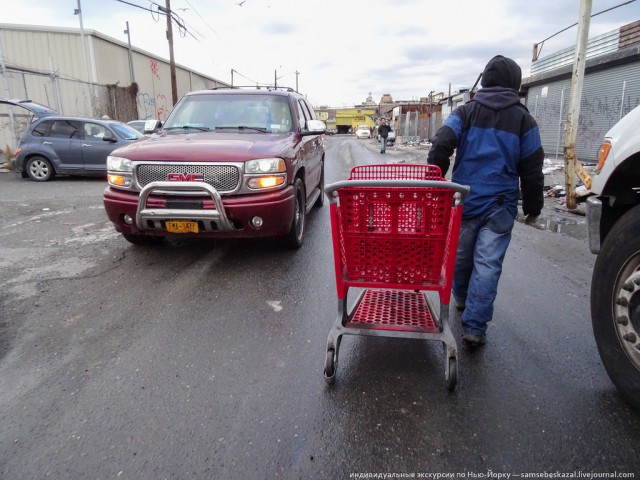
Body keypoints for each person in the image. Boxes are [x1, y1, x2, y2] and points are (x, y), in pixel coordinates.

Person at [427, 55, 544, 347]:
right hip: (501, 205)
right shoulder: (524, 120)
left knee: (462, 257)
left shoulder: (465, 112)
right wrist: (532, 207)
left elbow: (441, 144)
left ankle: (464, 300)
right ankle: (474, 327)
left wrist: (436, 179)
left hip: (464, 201)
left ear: (486, 81)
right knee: (488, 264)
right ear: (515, 84)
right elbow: (532, 168)